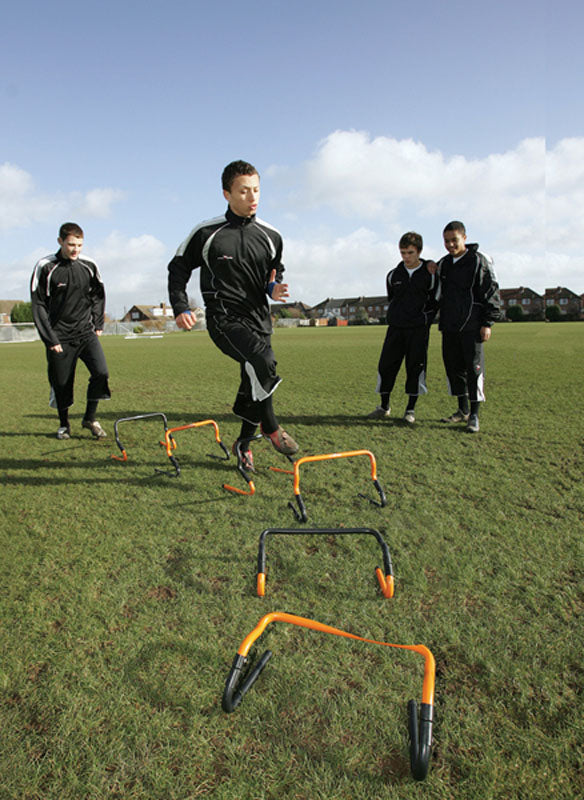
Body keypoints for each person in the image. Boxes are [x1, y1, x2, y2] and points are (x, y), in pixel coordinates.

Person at [167, 160, 298, 469]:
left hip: (259, 319)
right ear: (226, 194)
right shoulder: (207, 232)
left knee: (253, 380)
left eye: (256, 190)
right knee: (263, 362)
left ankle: (244, 445)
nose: (252, 197)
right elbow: (178, 268)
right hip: (224, 319)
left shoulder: (271, 235)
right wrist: (180, 306)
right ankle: (271, 427)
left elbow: (274, 272)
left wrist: (273, 288)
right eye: (243, 191)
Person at [30, 222, 110, 440]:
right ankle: (64, 424)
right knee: (62, 383)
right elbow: (38, 305)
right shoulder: (46, 267)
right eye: (71, 245)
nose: (76, 250)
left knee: (101, 373)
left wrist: (98, 323)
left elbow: (98, 295)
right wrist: (50, 338)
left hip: (85, 332)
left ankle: (90, 418)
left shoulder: (89, 265)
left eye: (80, 245)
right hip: (59, 336)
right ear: (60, 241)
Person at [367, 232, 438, 423]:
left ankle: (410, 410)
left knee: (415, 367)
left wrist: (424, 319)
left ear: (419, 251)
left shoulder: (430, 274)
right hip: (396, 329)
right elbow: (393, 299)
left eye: (410, 253)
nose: (406, 257)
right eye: (403, 252)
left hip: (418, 330)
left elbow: (435, 301)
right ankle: (384, 407)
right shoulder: (393, 275)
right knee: (386, 366)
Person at [437, 221, 501, 433]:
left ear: (464, 238)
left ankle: (474, 415)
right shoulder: (444, 264)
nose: (450, 245)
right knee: (454, 368)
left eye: (454, 240)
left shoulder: (478, 261)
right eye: (446, 241)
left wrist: (487, 322)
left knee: (473, 369)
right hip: (449, 326)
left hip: (472, 325)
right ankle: (462, 410)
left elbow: (491, 291)